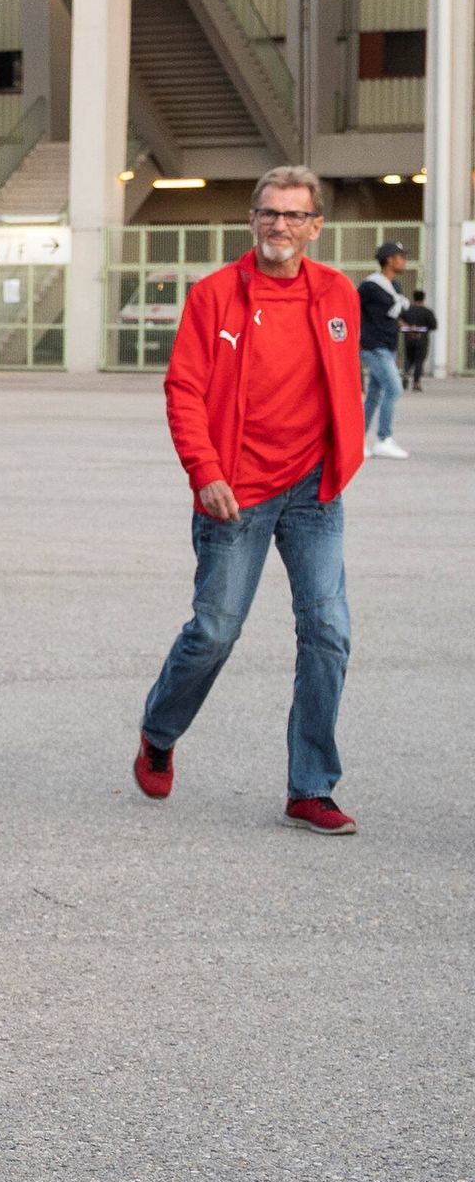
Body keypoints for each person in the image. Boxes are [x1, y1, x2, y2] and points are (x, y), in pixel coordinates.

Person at [133, 166, 367, 836]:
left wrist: (341, 461)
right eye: (269, 214)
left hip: (313, 492)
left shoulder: (337, 294)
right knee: (215, 631)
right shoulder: (214, 296)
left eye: (294, 216)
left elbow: (340, 385)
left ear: (315, 227)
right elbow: (183, 389)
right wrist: (205, 471)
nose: (280, 227)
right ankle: (159, 730)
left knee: (329, 631)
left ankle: (310, 787)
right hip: (233, 492)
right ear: (251, 220)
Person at [358, 242, 412, 457]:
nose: (404, 261)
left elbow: (391, 315)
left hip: (389, 345)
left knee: (374, 394)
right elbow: (352, 310)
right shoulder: (369, 286)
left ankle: (357, 440)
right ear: (390, 259)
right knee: (394, 389)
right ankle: (384, 438)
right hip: (373, 346)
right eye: (401, 256)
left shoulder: (396, 287)